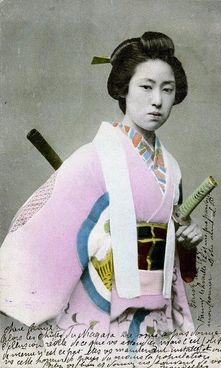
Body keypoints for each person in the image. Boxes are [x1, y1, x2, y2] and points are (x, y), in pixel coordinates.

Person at [0, 32, 202, 341]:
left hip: (156, 316)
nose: (157, 100)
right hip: (100, 306)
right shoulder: (92, 159)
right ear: (124, 89)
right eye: (146, 87)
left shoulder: (171, 168)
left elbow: (170, 247)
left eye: (168, 89)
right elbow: (50, 231)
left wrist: (185, 242)